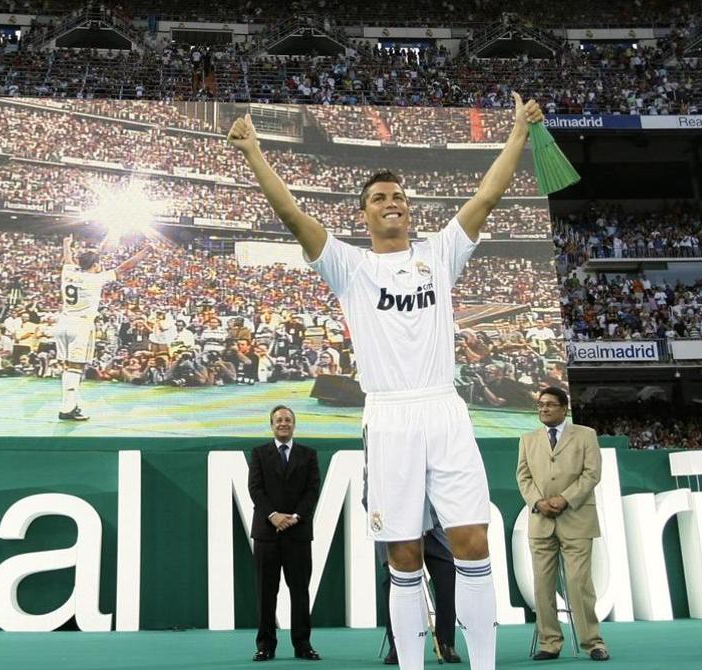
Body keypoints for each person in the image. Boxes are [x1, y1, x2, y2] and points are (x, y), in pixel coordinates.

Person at [229, 93, 545, 670]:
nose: (392, 202)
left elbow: (488, 195)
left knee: (473, 542)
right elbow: (293, 217)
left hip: (444, 410)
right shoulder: (351, 266)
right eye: (379, 198)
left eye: (398, 196)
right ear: (364, 214)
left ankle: (484, 665)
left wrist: (520, 133)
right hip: (390, 416)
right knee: (403, 555)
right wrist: (252, 152)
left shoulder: (440, 253)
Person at [515, 387, 610, 662]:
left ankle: (593, 643)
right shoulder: (528, 439)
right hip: (540, 521)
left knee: (580, 583)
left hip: (577, 519)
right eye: (540, 405)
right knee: (542, 586)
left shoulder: (585, 435)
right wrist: (538, 502)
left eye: (549, 405)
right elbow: (523, 478)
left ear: (564, 408)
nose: (543, 409)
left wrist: (565, 499)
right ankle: (549, 642)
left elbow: (592, 473)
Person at [248, 405, 322, 662]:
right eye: (278, 419)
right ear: (271, 424)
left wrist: (295, 517)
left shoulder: (308, 455)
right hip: (267, 535)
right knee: (266, 592)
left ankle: (303, 645)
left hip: (298, 534)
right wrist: (274, 516)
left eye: (287, 419)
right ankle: (265, 646)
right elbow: (255, 489)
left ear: (294, 424)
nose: (283, 423)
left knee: (300, 592)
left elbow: (312, 491)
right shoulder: (258, 454)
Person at [53, 235, 150, 421]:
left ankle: (70, 404)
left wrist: (66, 245)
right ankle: (67, 409)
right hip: (81, 325)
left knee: (68, 367)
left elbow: (68, 259)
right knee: (75, 368)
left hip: (63, 322)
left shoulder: (69, 272)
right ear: (95, 264)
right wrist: (145, 252)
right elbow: (125, 267)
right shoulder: (95, 279)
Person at [379, 520, 460, 665]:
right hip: (395, 531)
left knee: (448, 573)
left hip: (433, 531)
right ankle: (397, 646)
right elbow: (369, 500)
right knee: (392, 581)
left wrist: (427, 522)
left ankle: (446, 643)